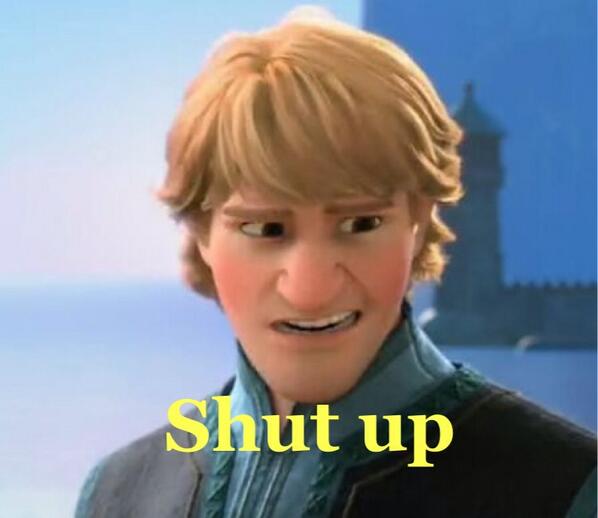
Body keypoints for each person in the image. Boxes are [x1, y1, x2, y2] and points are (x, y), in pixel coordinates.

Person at [75, 10, 596, 518]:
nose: (311, 290)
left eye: (360, 224)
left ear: (419, 219)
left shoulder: (563, 488)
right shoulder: (119, 494)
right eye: (265, 229)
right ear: (201, 233)